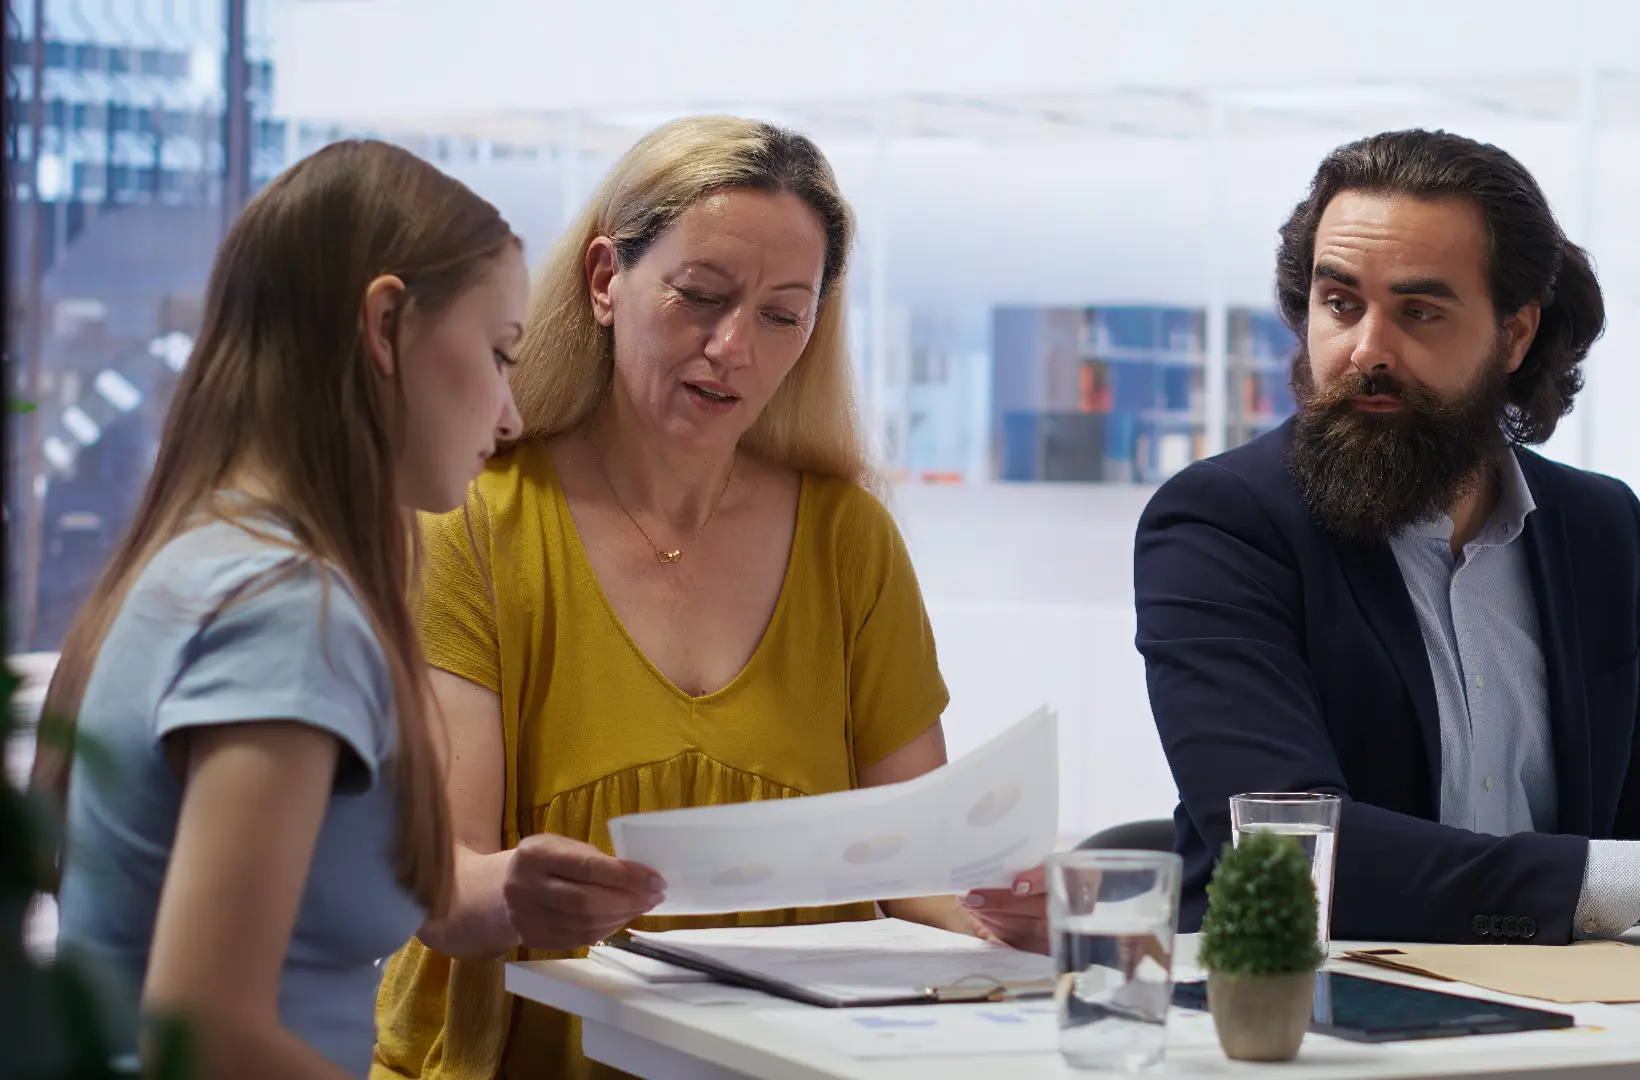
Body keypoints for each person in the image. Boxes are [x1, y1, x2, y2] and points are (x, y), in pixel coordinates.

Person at [373, 115, 1046, 1080]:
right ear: (606, 281)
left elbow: (916, 869)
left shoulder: (847, 537)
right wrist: (516, 893)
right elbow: (446, 882)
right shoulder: (478, 525)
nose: (734, 346)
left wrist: (1002, 901)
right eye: (700, 297)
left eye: (782, 314)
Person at [1134, 129, 1640, 944]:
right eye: (1340, 303)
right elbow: (1288, 852)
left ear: (1515, 334)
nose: (1366, 349)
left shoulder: (1600, 530)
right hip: (1309, 1015)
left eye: (1419, 311)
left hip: (1564, 1010)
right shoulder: (1220, 522)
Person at [35, 140, 526, 1078]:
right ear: (385, 324)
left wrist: (501, 891)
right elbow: (211, 1033)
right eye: (499, 354)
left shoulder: (203, 560)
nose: (509, 417)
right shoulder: (287, 611)